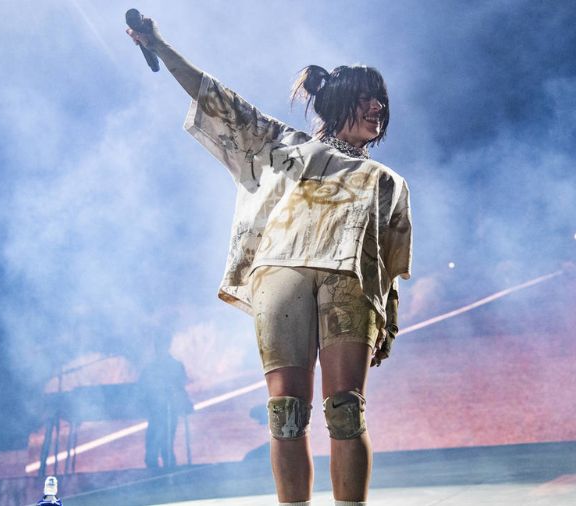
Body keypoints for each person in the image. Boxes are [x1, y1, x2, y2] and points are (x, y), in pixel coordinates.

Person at [127, 17, 412, 506]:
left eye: (380, 100)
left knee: (346, 408)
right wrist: (159, 45)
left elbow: (388, 265)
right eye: (366, 97)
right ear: (339, 101)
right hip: (282, 272)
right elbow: (214, 96)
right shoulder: (282, 146)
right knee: (286, 411)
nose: (377, 107)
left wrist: (387, 322)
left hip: (350, 283)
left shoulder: (387, 181)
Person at [138, 339, 192, 469]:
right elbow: (142, 388)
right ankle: (157, 478)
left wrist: (184, 402)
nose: (158, 349)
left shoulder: (175, 366)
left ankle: (168, 478)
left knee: (165, 448)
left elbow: (180, 386)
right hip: (156, 413)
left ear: (167, 346)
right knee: (153, 451)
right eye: (157, 346)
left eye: (161, 345)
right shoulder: (151, 368)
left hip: (169, 412)